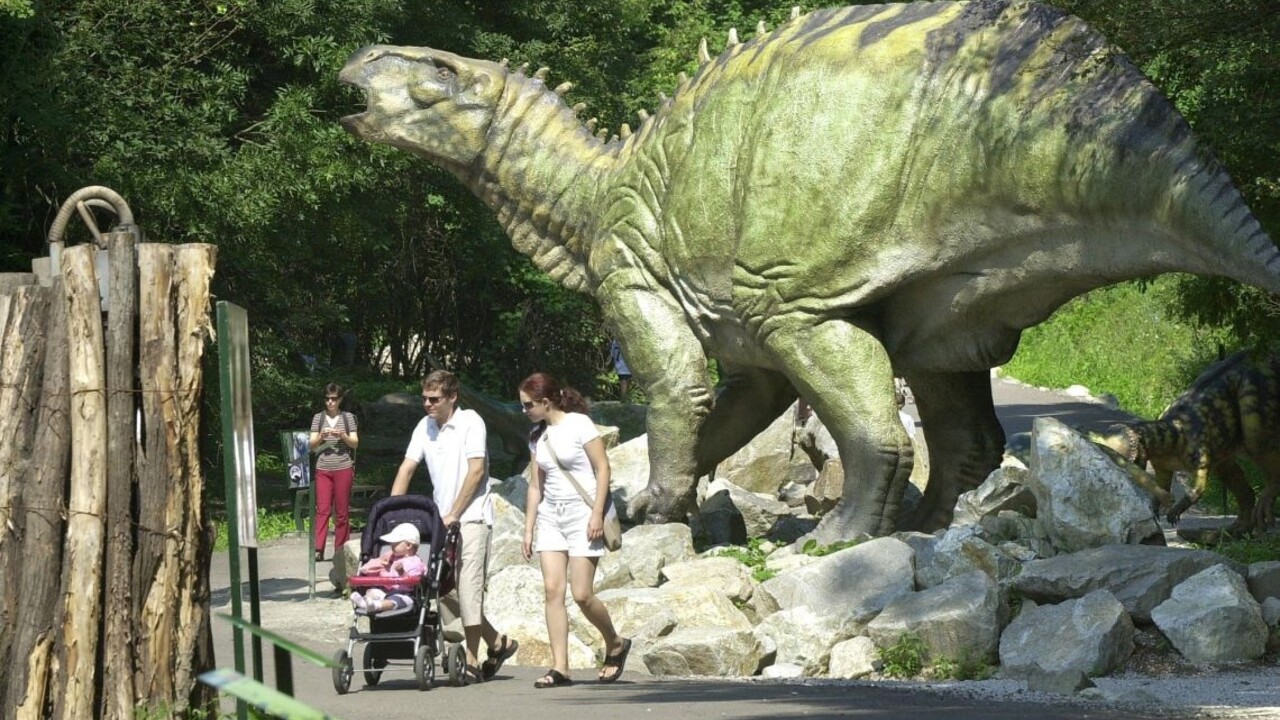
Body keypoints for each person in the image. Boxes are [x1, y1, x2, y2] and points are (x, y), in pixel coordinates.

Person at [390, 370, 518, 683]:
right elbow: (407, 468)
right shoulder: (425, 426)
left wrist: (455, 512)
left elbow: (477, 471)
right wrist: (392, 513)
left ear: (452, 397)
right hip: (440, 520)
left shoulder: (471, 422)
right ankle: (498, 642)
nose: (428, 404)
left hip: (473, 515)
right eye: (425, 399)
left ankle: (471, 657)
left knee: (468, 586)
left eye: (434, 399)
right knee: (441, 587)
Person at [518, 372, 631, 689]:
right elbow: (535, 485)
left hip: (582, 515)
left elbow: (603, 468)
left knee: (581, 594)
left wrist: (596, 513)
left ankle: (615, 642)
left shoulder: (579, 424)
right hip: (551, 518)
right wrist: (528, 529)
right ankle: (560, 667)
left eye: (528, 405)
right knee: (552, 591)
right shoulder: (537, 436)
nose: (524, 411)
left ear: (545, 401)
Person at [310, 383, 358, 562]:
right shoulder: (318, 418)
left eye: (334, 399)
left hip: (343, 466)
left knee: (342, 511)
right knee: (322, 509)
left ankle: (340, 549)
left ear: (340, 400)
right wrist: (321, 436)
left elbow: (355, 443)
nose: (330, 402)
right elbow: (311, 444)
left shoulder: (348, 418)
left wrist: (342, 435)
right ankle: (318, 548)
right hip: (323, 468)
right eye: (327, 399)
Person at [350, 522, 427, 615]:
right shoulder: (393, 558)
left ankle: (377, 606)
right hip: (388, 592)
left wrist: (402, 572)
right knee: (372, 592)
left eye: (395, 543)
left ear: (408, 545)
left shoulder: (415, 562)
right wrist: (384, 568)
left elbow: (413, 581)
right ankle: (365, 604)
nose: (391, 545)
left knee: (395, 600)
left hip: (406, 594)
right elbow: (389, 575)